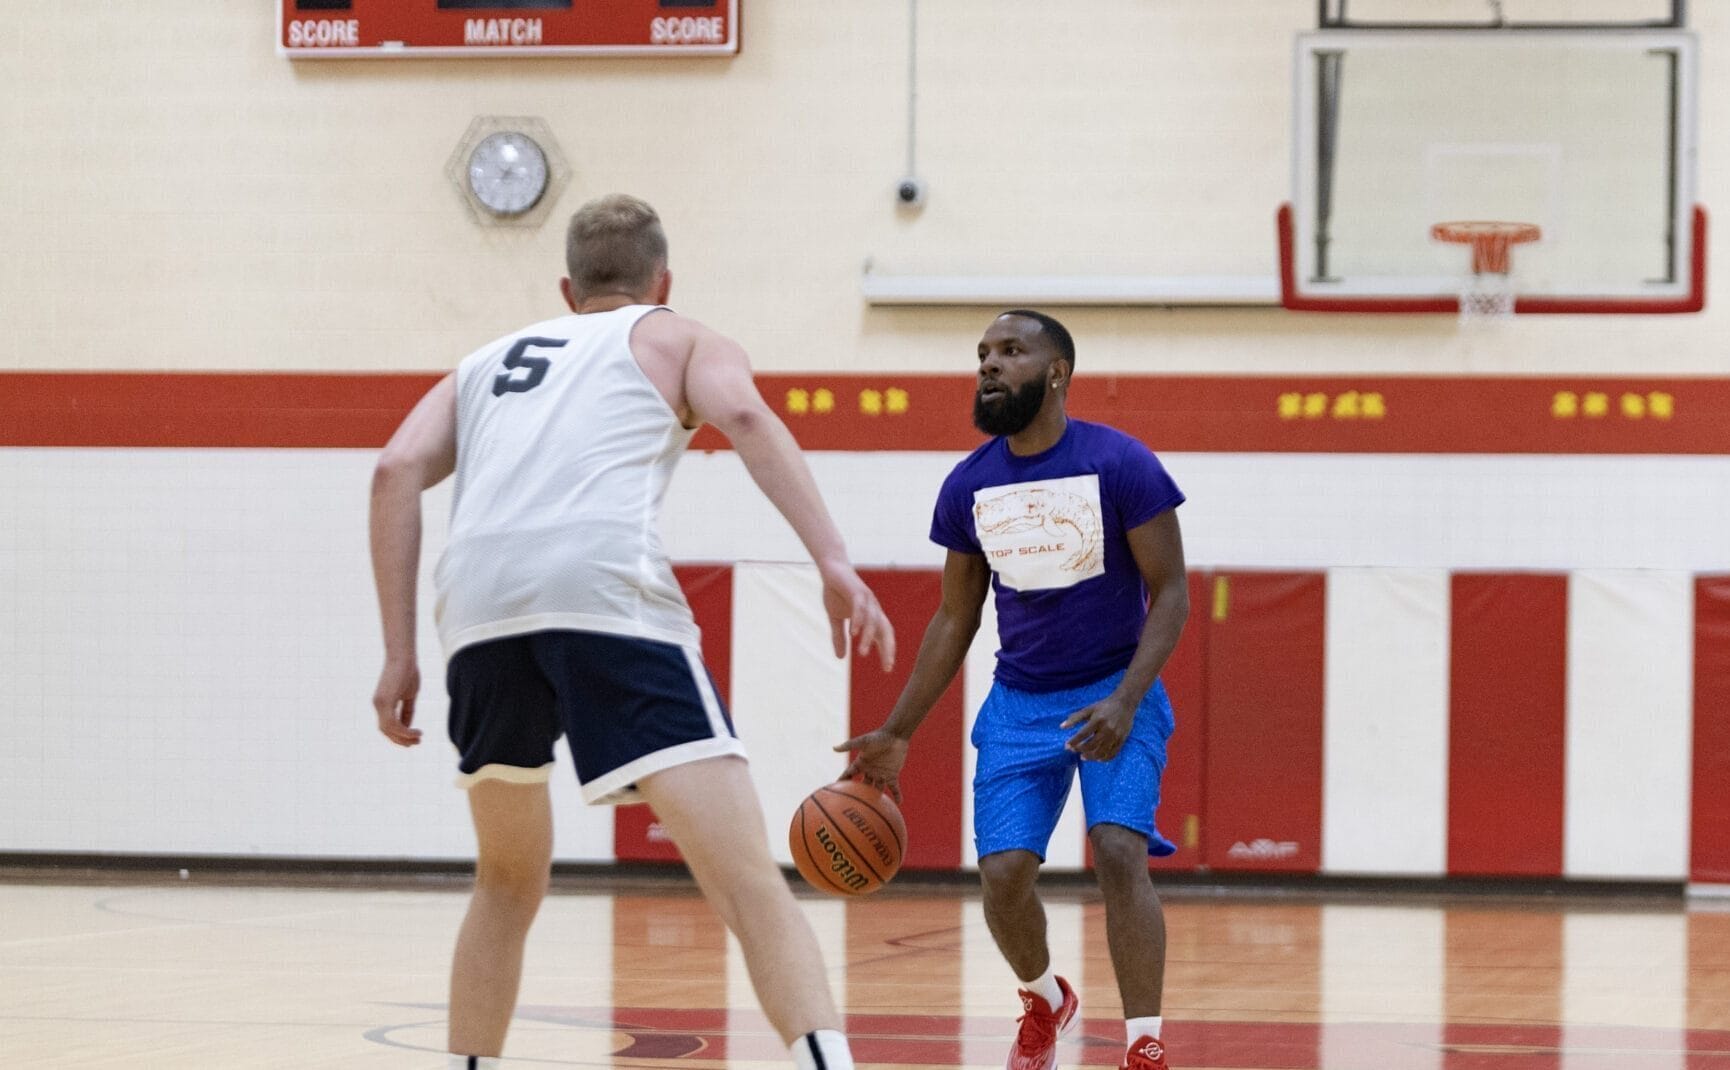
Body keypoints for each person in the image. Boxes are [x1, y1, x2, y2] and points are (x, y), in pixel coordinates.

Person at [368, 193, 896, 1070]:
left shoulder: (484, 362)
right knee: (744, 881)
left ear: (569, 289)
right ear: (664, 281)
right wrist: (832, 558)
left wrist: (398, 653)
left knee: (504, 882)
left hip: (478, 610)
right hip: (602, 592)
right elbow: (752, 419)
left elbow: (393, 471)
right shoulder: (679, 336)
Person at [837, 310, 1188, 1070]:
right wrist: (898, 729)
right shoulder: (969, 484)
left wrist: (1128, 699)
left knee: (1119, 851)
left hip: (1114, 692)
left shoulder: (1122, 463)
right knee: (1002, 878)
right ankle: (1044, 998)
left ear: (1056, 371)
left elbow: (1173, 592)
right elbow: (955, 617)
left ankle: (1144, 1044)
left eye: (1010, 352)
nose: (990, 365)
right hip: (1021, 702)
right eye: (982, 355)